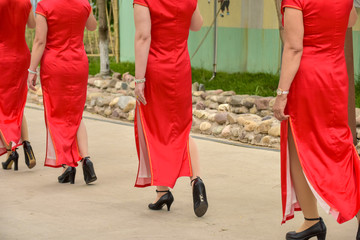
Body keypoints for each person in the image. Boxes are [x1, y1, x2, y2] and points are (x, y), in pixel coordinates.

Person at [273, 0, 359, 239]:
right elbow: (350, 21)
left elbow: (293, 47)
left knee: (298, 146)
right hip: (336, 72)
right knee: (340, 144)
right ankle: (314, 221)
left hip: (308, 77)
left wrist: (281, 94)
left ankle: (312, 219)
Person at [133, 0, 209, 217]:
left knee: (155, 128)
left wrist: (139, 79)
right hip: (181, 68)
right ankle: (191, 183)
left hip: (156, 69)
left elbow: (143, 37)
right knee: (181, 127)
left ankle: (164, 190)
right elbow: (197, 24)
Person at [27, 0, 98, 185]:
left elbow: (40, 40)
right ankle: (86, 159)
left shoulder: (45, 5)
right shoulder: (83, 3)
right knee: (76, 114)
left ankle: (68, 165)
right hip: (78, 63)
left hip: (55, 65)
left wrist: (32, 70)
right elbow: (92, 26)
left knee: (56, 115)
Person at [0, 0, 37, 171]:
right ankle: (27, 145)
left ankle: (10, 149)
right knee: (17, 105)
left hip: (2, 56)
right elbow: (32, 25)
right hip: (22, 55)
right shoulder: (25, 2)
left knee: (3, 108)